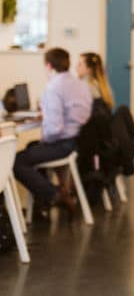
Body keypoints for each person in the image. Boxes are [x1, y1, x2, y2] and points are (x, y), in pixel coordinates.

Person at [14, 47, 93, 219]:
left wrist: (45, 136)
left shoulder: (53, 88)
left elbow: (54, 130)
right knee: (31, 148)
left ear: (48, 66)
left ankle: (55, 195)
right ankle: (42, 205)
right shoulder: (80, 84)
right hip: (76, 141)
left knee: (17, 161)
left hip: (61, 145)